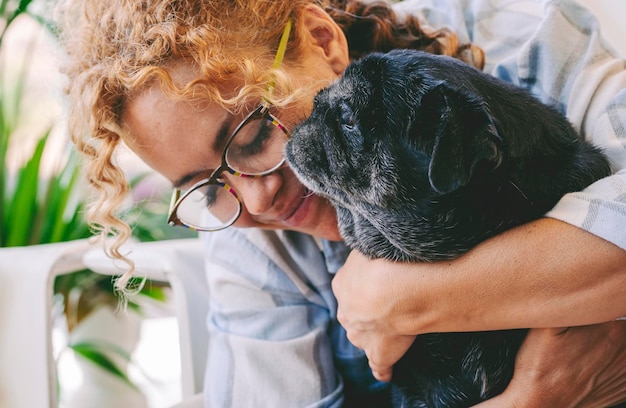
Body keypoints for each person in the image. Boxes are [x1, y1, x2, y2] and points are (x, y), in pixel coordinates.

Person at [57, 0, 626, 406]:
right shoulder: (251, 248)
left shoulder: (525, 46)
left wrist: (398, 300)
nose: (258, 197)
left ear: (324, 42)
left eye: (255, 134)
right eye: (208, 187)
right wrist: (534, 398)